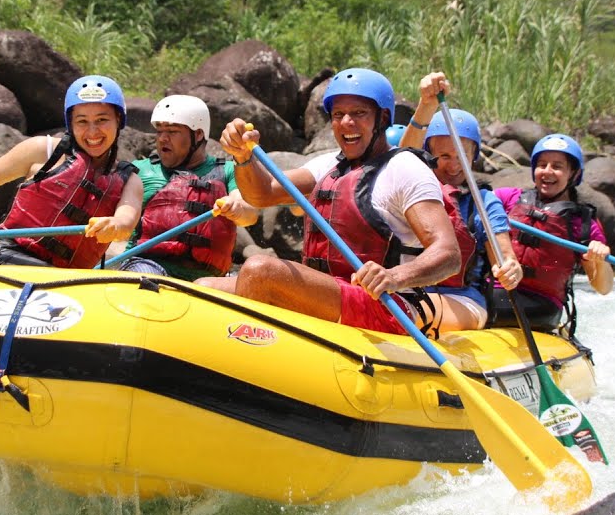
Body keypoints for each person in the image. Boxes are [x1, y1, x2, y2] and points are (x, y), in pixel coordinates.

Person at [195, 67, 463, 338]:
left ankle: (255, 358)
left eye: (359, 113)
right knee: (204, 287)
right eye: (338, 115)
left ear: (382, 118)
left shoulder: (405, 168)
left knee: (260, 270)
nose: (346, 122)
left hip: (385, 305)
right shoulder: (329, 165)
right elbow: (262, 194)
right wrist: (243, 158)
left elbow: (448, 254)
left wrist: (395, 276)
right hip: (329, 292)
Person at [0, 74, 144, 267]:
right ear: (70, 123)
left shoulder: (130, 181)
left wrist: (115, 225)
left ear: (118, 120)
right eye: (82, 121)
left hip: (70, 277)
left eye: (102, 120)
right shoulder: (42, 150)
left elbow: (126, 220)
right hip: (8, 256)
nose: (92, 131)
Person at [396, 71, 523, 331]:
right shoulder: (413, 189)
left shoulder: (484, 202)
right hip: (409, 289)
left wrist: (511, 270)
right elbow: (402, 157)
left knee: (406, 310)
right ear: (429, 156)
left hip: (463, 300)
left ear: (474, 155)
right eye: (443, 155)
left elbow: (505, 256)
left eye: (462, 156)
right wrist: (425, 106)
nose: (454, 165)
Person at [113, 94, 259, 280]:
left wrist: (237, 208)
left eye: (172, 132)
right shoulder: (140, 171)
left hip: (210, 278)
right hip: (148, 264)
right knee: (146, 276)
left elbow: (250, 213)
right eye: (159, 131)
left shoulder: (229, 170)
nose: (163, 138)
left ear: (198, 135)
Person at [491, 133, 614, 334]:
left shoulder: (582, 223)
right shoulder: (508, 198)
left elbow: (604, 288)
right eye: (542, 164)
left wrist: (600, 260)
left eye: (557, 166)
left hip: (541, 303)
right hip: (494, 288)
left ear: (573, 173)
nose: (547, 172)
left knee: (485, 304)